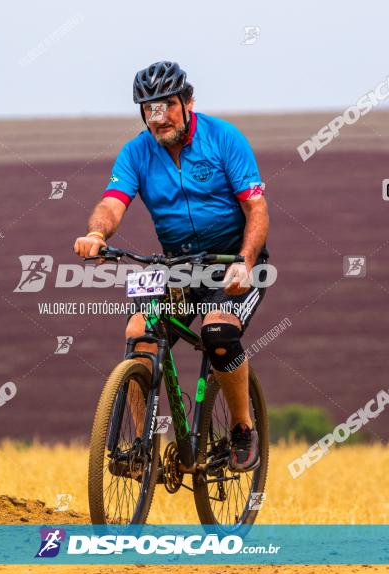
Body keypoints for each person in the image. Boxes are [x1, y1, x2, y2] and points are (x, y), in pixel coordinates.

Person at [73, 61, 270, 472]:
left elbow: (256, 208)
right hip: (180, 267)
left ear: (188, 101)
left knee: (218, 332)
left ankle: (241, 429)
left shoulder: (224, 139)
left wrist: (245, 262)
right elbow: (113, 202)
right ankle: (146, 446)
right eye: (148, 109)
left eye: (165, 106)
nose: (157, 117)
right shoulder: (136, 152)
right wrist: (96, 234)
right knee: (139, 332)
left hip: (232, 263)